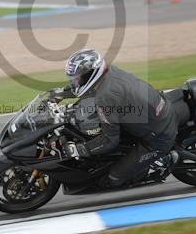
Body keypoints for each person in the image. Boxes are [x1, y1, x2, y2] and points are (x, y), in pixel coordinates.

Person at [54, 49, 179, 188]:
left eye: (77, 78)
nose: (74, 81)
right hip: (154, 111)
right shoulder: (107, 73)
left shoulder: (105, 96)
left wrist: (79, 149)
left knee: (113, 178)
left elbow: (110, 140)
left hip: (159, 136)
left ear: (91, 74)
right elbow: (85, 87)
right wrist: (60, 94)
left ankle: (162, 161)